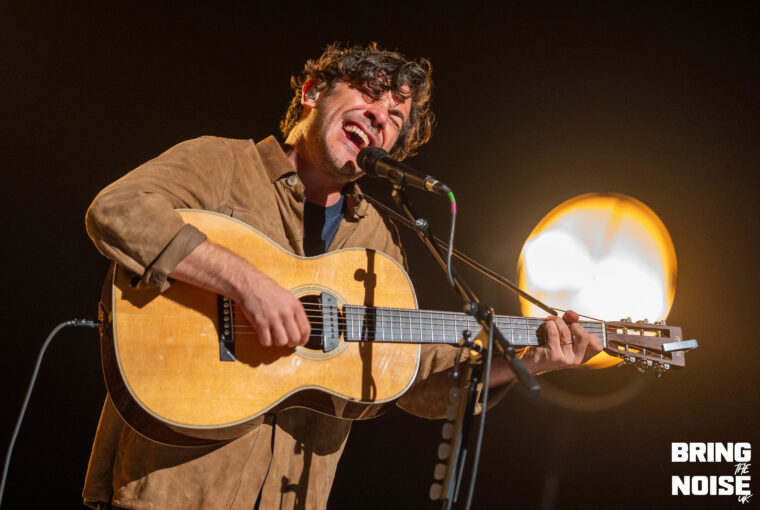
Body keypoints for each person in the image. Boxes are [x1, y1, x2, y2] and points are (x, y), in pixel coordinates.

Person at [82, 43, 602, 510]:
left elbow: (412, 381)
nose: (380, 117)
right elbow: (117, 210)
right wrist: (247, 283)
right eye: (370, 94)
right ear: (312, 93)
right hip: (171, 489)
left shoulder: (378, 242)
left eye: (395, 116)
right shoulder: (223, 163)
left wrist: (525, 360)